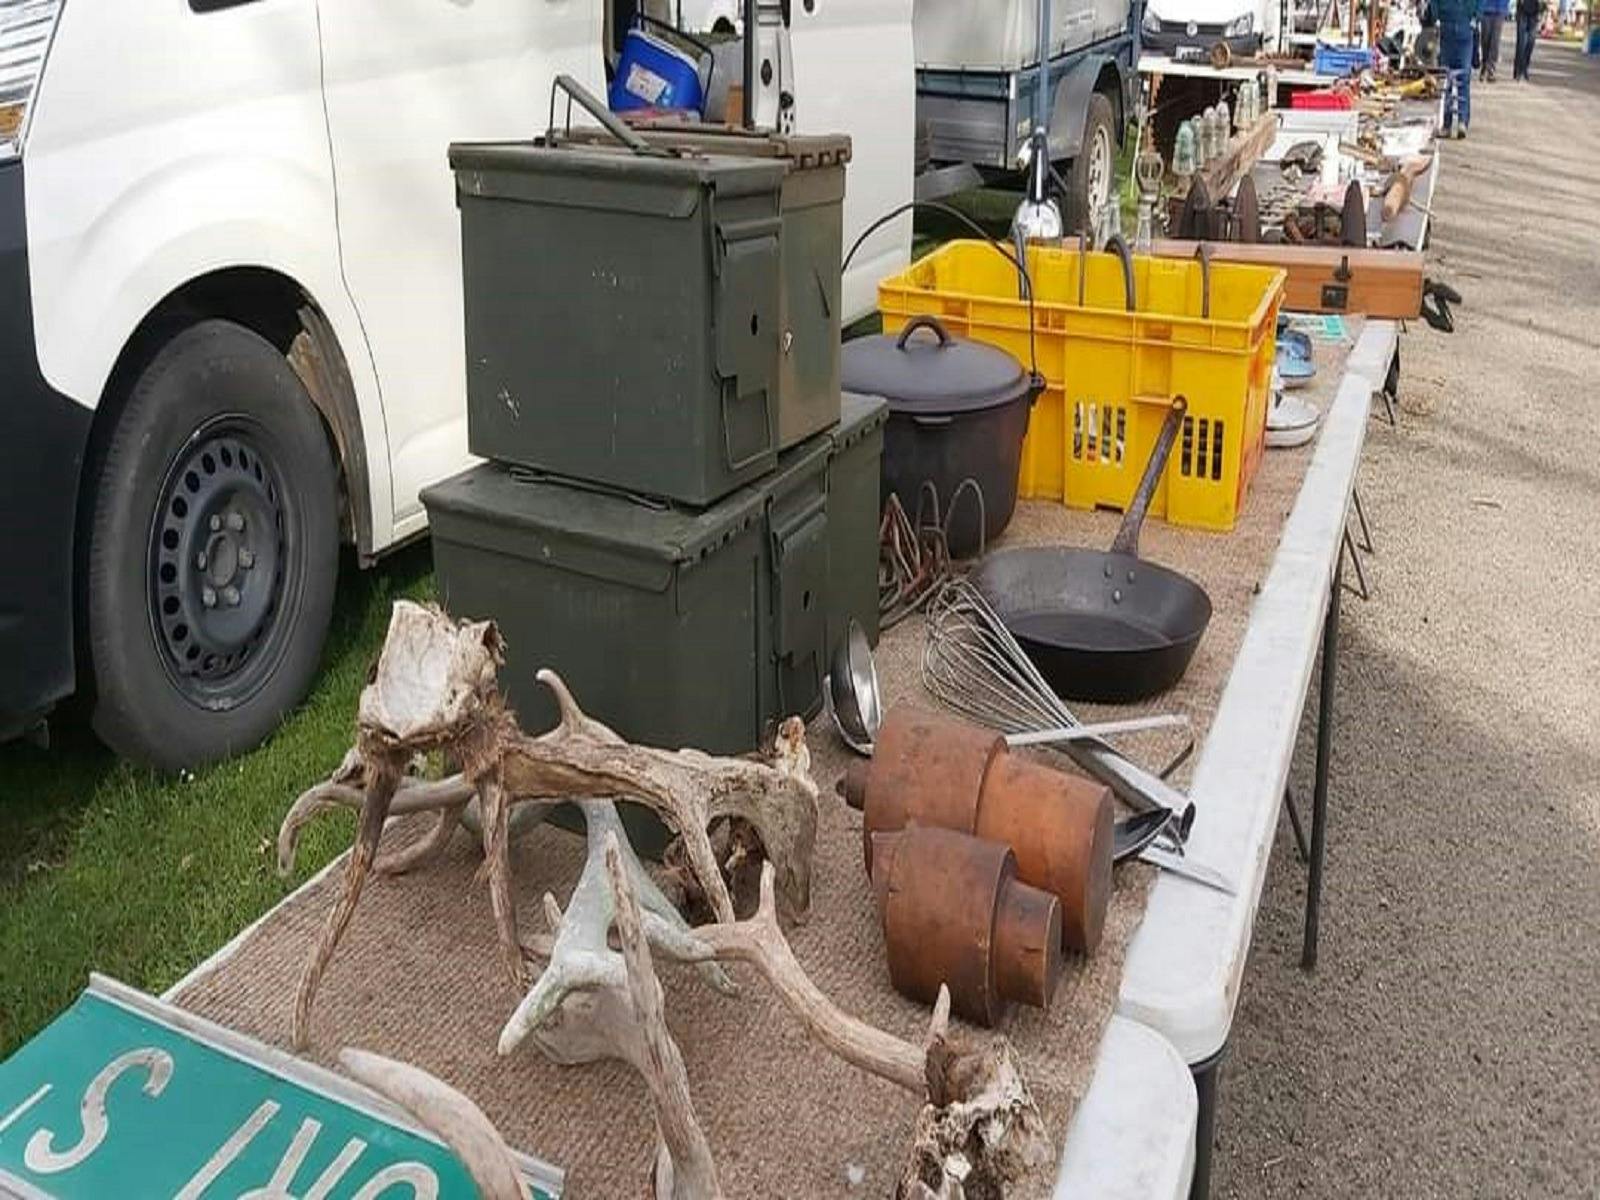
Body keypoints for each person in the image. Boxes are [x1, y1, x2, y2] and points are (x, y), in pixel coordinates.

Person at [1431, 0, 1481, 136]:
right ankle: (1447, 124)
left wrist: (1476, 17)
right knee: (1446, 79)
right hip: (1448, 25)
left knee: (1462, 78)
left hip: (1464, 25)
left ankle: (1462, 122)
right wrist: (1436, 16)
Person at [1480, 0, 1510, 79]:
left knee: (1495, 40)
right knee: (1485, 39)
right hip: (1485, 8)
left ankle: (1491, 67)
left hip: (1500, 9)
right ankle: (1484, 63)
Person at [1514, 0, 1543, 77]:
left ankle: (1525, 66)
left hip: (1534, 12)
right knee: (1521, 43)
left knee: (1531, 42)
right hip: (1522, 12)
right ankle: (1518, 69)